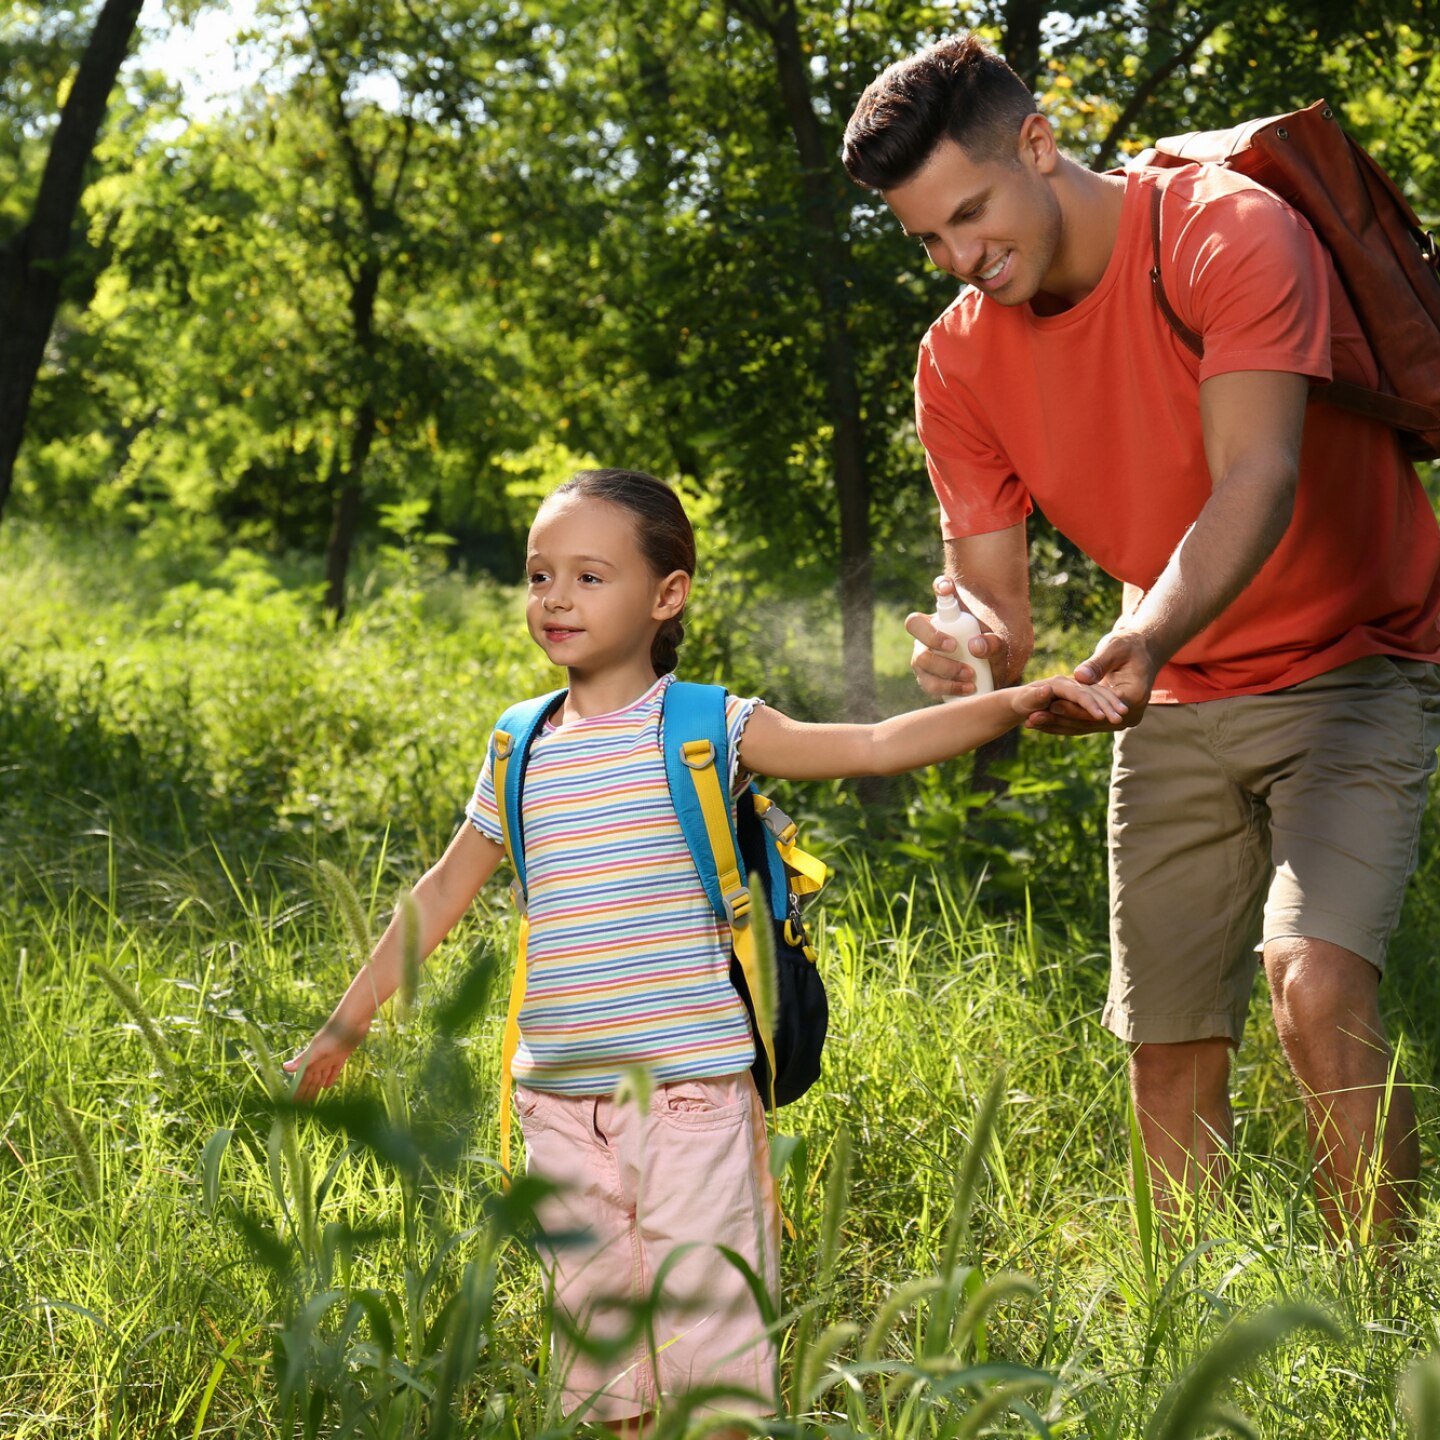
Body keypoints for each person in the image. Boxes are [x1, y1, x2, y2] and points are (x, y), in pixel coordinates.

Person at [284, 467, 1123, 1433]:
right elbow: (436, 895)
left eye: (591, 577)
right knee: (609, 1391)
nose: (556, 597)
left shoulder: (705, 728)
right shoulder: (519, 746)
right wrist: (343, 1030)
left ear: (667, 595)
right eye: (539, 575)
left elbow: (876, 743)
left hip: (691, 1099)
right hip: (557, 1108)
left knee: (712, 1384)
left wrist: (1015, 704)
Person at [841, 34, 1440, 1245]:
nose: (961, 259)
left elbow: (1257, 477)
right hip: (1169, 698)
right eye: (928, 242)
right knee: (1165, 1044)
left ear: (1040, 145)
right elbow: (993, 604)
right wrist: (967, 644)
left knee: (1315, 985)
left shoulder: (1224, 230)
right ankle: (1193, 1349)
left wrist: (1146, 636)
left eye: (971, 215)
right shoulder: (955, 360)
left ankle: (1392, 1341)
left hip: (1355, 659)